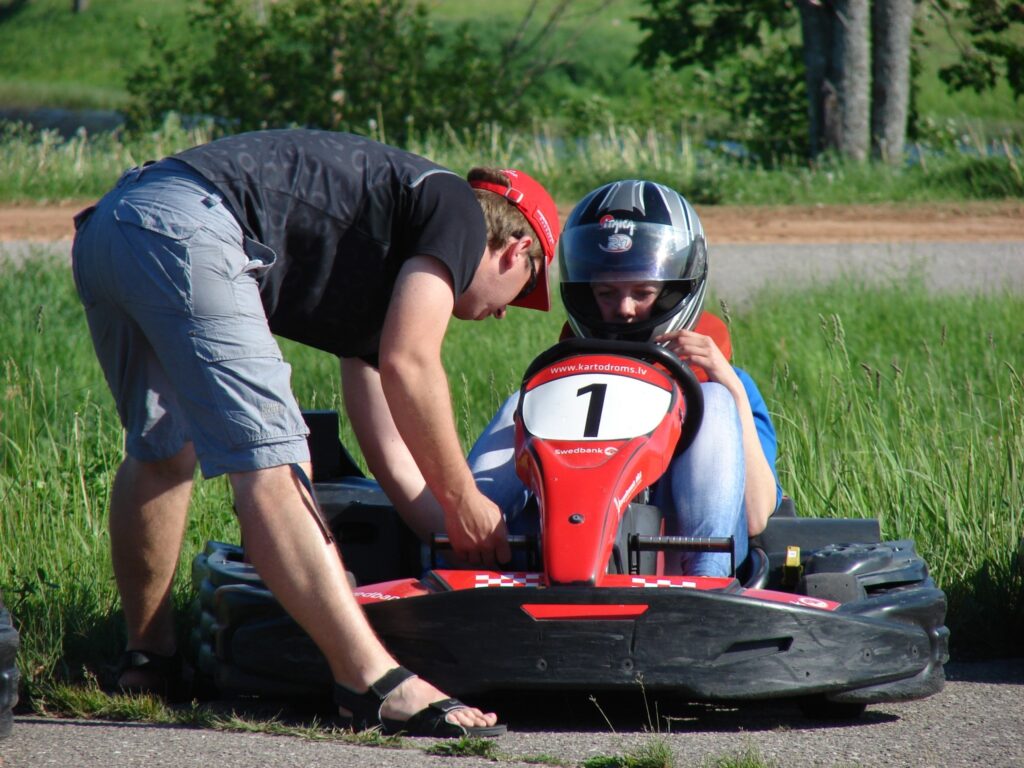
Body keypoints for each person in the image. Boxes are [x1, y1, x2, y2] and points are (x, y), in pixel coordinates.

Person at [70, 128, 560, 737]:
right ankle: (372, 682)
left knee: (163, 451)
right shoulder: (455, 209)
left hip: (113, 226)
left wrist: (436, 520)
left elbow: (378, 389)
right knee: (273, 464)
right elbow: (412, 361)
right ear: (515, 248)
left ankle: (149, 663)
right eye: (524, 290)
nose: (507, 310)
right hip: (187, 227)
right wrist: (464, 498)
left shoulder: (395, 238)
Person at [468, 179, 781, 576]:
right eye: (606, 293)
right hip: (561, 555)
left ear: (674, 288)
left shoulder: (724, 383)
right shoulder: (563, 382)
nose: (625, 309)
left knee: (713, 402)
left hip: (678, 569)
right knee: (521, 401)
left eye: (643, 291)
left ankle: (706, 576)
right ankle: (463, 553)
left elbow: (754, 516)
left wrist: (729, 387)